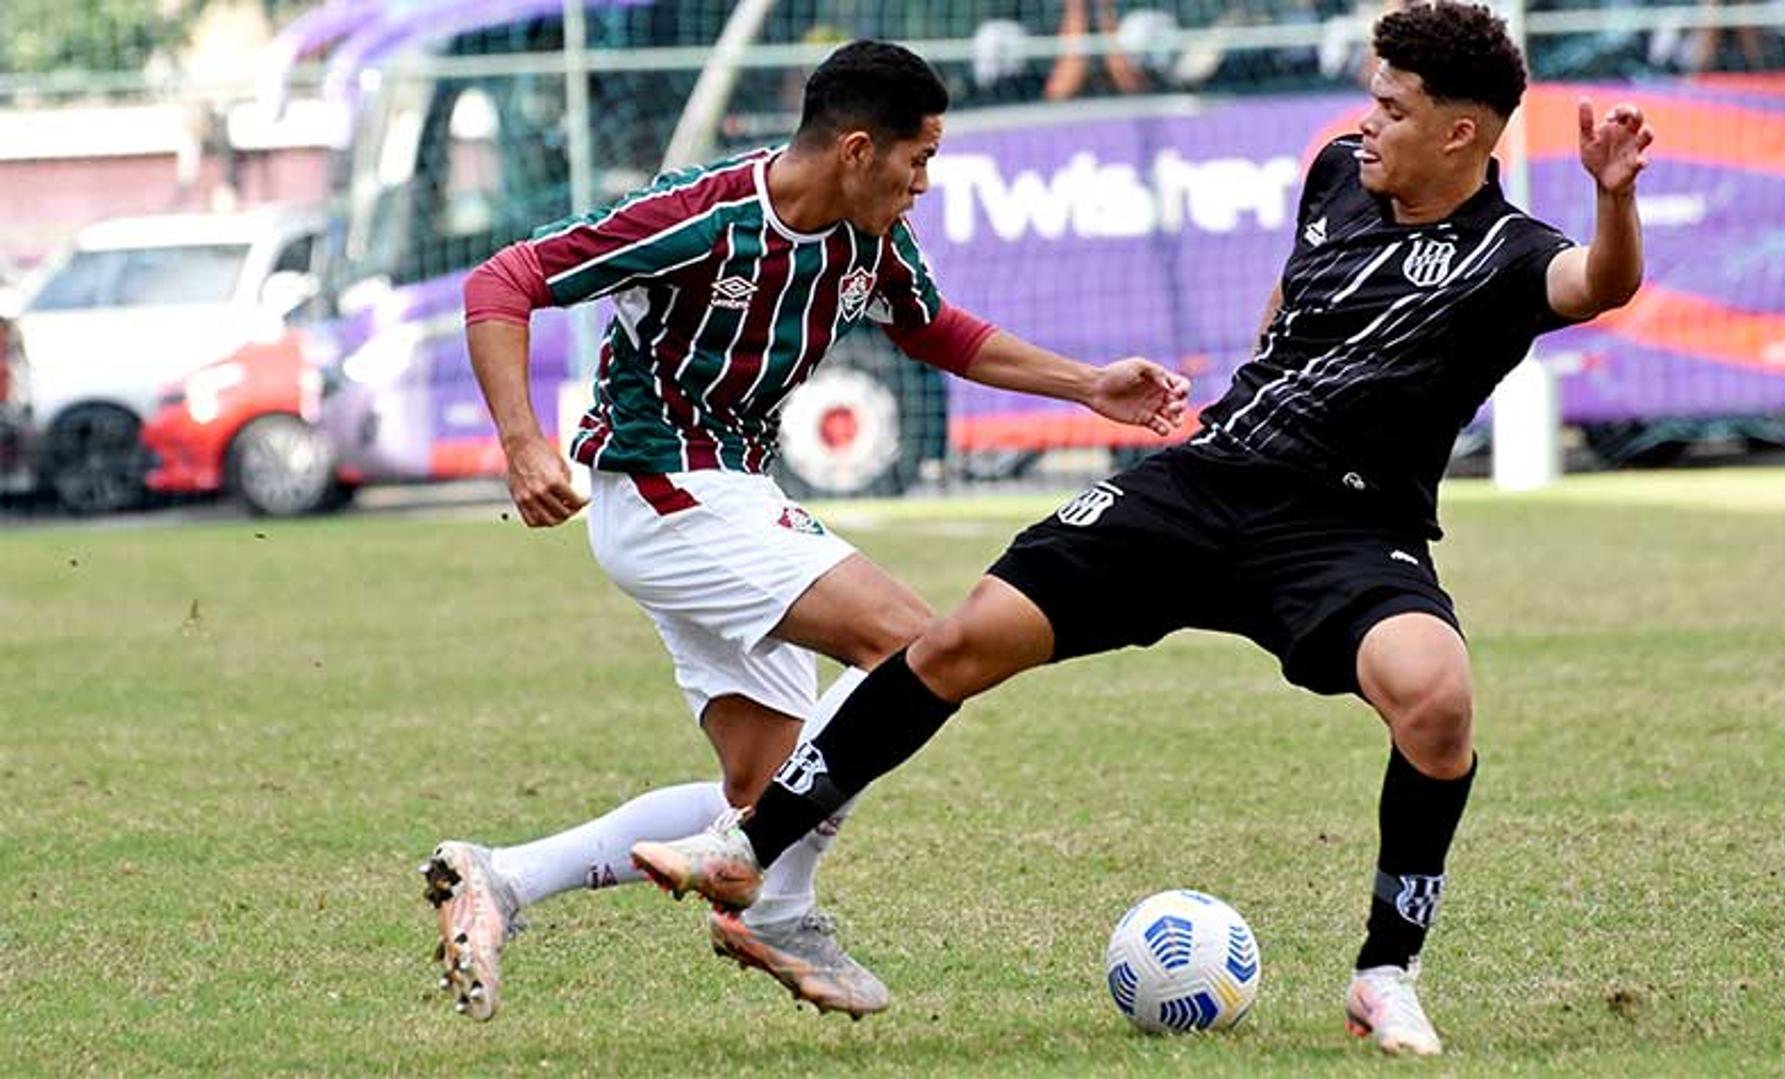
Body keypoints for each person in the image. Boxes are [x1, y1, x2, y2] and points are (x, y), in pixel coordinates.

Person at [633, 1, 1652, 1056]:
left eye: (1391, 107)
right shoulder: (1339, 174)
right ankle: (747, 848)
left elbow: (1599, 281)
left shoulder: (1508, 250)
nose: (1366, 123)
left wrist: (1613, 200)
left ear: (1460, 135)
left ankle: (1384, 970)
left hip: (1345, 525)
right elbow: (1294, 293)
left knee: (1436, 698)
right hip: (1207, 482)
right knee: (958, 638)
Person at [431, 39, 1189, 1023]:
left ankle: (502, 876)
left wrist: (1089, 384)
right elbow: (502, 281)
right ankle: (776, 907)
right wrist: (523, 443)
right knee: (919, 649)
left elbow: (937, 330)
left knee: (763, 792)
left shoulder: (866, 239)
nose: (923, 185)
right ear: (858, 150)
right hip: (667, 487)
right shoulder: (697, 215)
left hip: (728, 493)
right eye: (918, 162)